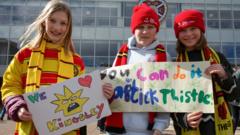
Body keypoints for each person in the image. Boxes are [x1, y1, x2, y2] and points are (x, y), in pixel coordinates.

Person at [0, 0, 113, 135]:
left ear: (68, 27)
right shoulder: (24, 55)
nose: (57, 27)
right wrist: (17, 107)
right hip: (30, 128)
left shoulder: (76, 61)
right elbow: (10, 85)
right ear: (44, 21)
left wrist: (101, 94)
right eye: (52, 20)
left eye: (63, 23)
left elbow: (83, 98)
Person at [171, 9, 240, 135]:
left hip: (218, 126)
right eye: (183, 30)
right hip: (191, 128)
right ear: (178, 35)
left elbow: (234, 96)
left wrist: (224, 75)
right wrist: (184, 120)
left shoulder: (218, 58)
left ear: (201, 30)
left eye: (193, 29)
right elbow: (171, 103)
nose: (188, 34)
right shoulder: (175, 64)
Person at [104, 3, 170, 135]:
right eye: (141, 27)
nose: (145, 31)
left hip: (148, 131)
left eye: (150, 27)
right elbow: (111, 84)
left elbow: (166, 94)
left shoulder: (163, 56)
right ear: (133, 30)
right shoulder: (122, 53)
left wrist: (159, 126)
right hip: (118, 130)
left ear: (156, 30)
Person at [229, 66, 240, 133]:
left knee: (234, 119)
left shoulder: (236, 73)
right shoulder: (238, 73)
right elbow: (236, 85)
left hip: (234, 99)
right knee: (235, 119)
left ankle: (231, 132)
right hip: (236, 99)